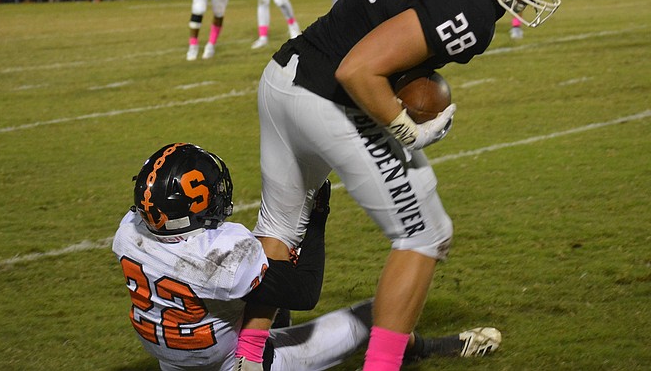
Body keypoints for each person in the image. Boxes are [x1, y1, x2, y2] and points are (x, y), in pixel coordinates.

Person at [240, 0, 568, 371]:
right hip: (327, 97)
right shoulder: (470, 10)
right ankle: (382, 365)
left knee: (281, 226)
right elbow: (358, 70)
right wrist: (405, 130)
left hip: (282, 76)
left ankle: (247, 358)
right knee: (425, 235)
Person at [112, 143, 501, 371]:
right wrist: (316, 219)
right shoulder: (221, 254)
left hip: (175, 361)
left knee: (265, 279)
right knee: (376, 314)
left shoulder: (129, 231)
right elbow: (304, 290)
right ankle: (430, 349)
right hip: (230, 363)